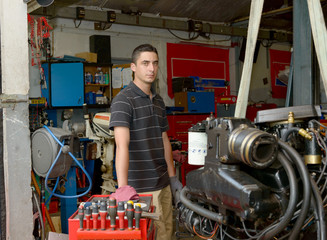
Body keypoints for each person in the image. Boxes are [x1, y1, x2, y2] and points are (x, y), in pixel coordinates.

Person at [109, 44, 182, 240]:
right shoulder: (123, 100)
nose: (151, 68)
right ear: (133, 67)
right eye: (145, 63)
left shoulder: (158, 101)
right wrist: (124, 189)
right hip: (140, 188)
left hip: (163, 183)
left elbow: (164, 139)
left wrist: (173, 178)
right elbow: (121, 146)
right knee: (149, 235)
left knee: (167, 232)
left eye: (155, 63)